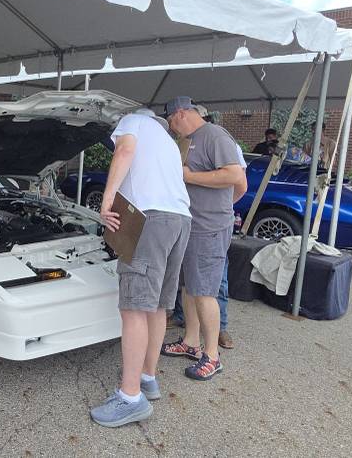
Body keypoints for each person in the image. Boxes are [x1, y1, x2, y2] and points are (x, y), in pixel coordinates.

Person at [90, 109, 191, 428]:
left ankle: (130, 397)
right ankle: (148, 378)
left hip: (151, 219)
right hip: (180, 220)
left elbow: (125, 150)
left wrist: (107, 200)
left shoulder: (133, 121)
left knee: (134, 308)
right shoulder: (168, 141)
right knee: (157, 306)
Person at [160, 97, 247, 381]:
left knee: (205, 292)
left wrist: (192, 179)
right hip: (191, 223)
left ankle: (212, 356)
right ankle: (191, 342)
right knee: (190, 287)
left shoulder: (215, 135)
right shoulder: (189, 140)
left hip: (209, 228)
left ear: (181, 114)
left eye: (171, 122)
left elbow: (236, 177)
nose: (172, 128)